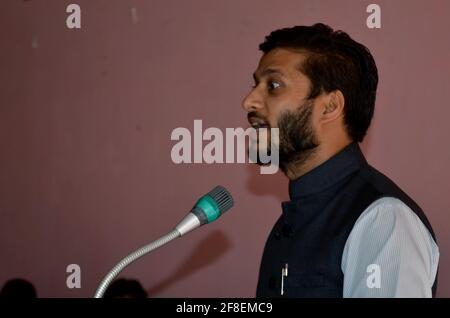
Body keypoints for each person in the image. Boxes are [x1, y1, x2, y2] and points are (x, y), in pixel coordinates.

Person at [241, 23, 439, 297]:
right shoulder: (293, 220)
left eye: (273, 85)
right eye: (255, 85)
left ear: (330, 107)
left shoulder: (382, 220)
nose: (249, 102)